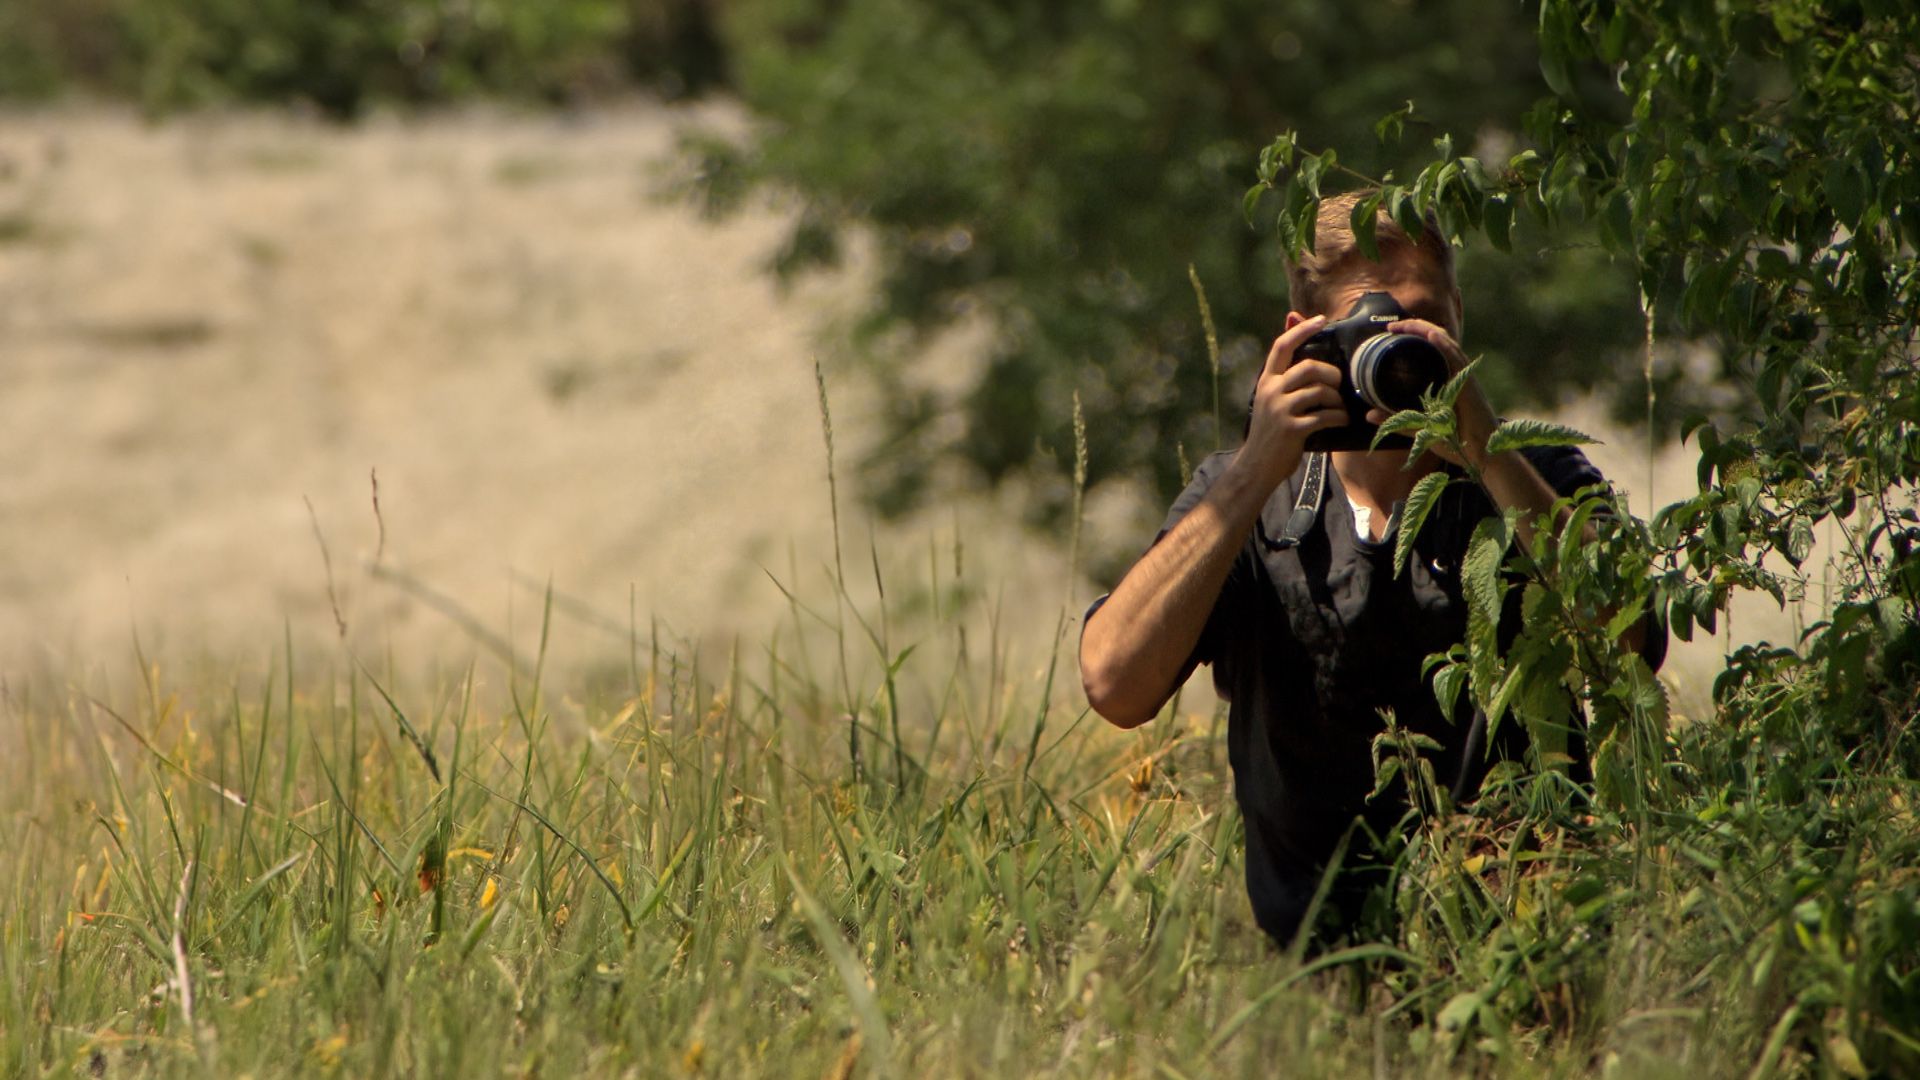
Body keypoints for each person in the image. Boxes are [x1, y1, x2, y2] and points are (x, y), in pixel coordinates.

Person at [1077, 192, 1665, 945]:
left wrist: (1485, 449)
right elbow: (1115, 684)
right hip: (1314, 962)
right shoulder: (1248, 498)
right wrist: (1258, 463)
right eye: (1368, 330)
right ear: (1303, 340)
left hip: (1526, 937)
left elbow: (1630, 647)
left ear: (1458, 318)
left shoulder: (1535, 476)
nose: (1396, 353)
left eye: (1420, 322)